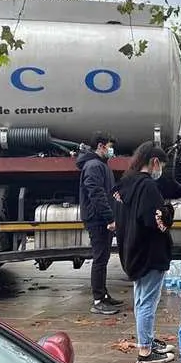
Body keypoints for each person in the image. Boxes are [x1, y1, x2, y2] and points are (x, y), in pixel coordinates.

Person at [111, 141, 176, 363]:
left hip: (132, 250)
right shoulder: (147, 186)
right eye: (162, 167)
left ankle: (145, 339)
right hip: (150, 253)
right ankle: (146, 352)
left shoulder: (125, 184)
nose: (161, 172)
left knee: (141, 299)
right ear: (154, 162)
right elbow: (156, 220)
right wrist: (169, 211)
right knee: (148, 301)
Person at [77, 131, 123, 315]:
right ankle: (97, 300)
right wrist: (109, 218)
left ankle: (103, 295)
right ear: (101, 146)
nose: (112, 151)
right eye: (110, 147)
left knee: (103, 258)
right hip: (98, 219)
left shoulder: (100, 165)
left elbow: (106, 192)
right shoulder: (94, 165)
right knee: (99, 258)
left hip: (100, 218)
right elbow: (96, 193)